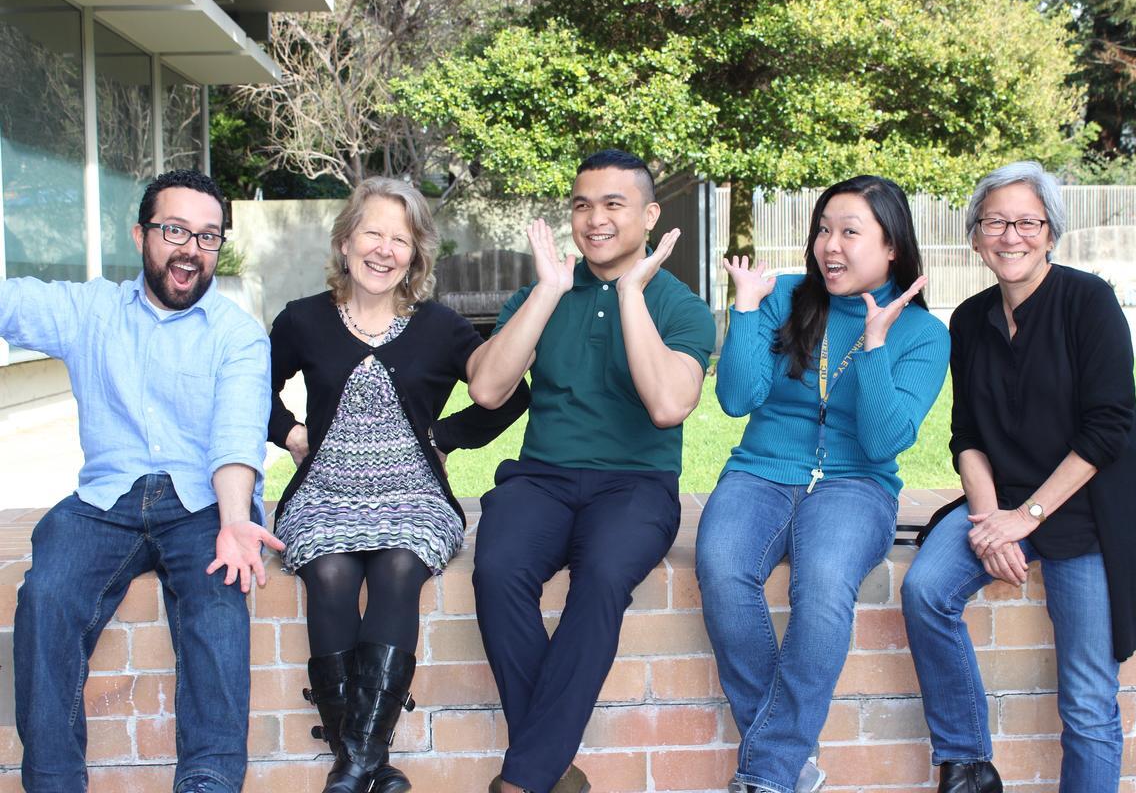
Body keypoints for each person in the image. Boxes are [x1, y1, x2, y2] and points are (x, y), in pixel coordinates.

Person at [3, 169, 279, 793]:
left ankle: (208, 782)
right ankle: (52, 782)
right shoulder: (89, 311)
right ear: (141, 235)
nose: (191, 250)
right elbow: (11, 302)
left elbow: (236, 437)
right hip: (105, 499)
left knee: (217, 605)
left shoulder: (237, 334)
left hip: (201, 500)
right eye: (175, 230)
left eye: (207, 236)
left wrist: (236, 521)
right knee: (46, 597)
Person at [900, 161, 1136, 793]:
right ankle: (968, 763)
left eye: (1027, 222)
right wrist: (991, 520)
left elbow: (1108, 430)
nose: (1010, 236)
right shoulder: (969, 319)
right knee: (926, 590)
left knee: (1087, 699)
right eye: (995, 222)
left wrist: (1025, 519)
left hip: (1089, 509)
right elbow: (967, 436)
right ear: (975, 236)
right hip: (1004, 500)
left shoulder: (1088, 301)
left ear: (1050, 233)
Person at [268, 177, 529, 793]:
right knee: (329, 573)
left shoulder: (440, 326)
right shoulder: (302, 319)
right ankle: (366, 763)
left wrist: (445, 436)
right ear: (345, 241)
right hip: (324, 494)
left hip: (414, 496)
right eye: (373, 234)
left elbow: (509, 392)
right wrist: (290, 432)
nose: (384, 250)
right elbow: (248, 389)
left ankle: (351, 767)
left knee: (397, 567)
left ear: (415, 255)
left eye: (401, 240)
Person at [467, 149, 716, 793]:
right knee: (497, 570)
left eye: (613, 204)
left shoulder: (681, 306)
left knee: (602, 577)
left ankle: (524, 778)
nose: (595, 218)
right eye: (582, 205)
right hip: (541, 478)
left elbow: (668, 406)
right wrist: (548, 291)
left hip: (636, 485)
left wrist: (631, 293)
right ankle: (548, 770)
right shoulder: (542, 291)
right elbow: (488, 390)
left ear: (649, 216)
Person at [697, 176, 950, 793]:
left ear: (892, 246)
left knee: (824, 583)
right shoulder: (783, 297)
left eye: (849, 232)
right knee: (722, 565)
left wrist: (876, 345)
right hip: (760, 469)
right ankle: (788, 763)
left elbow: (884, 441)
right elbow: (737, 399)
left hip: (857, 483)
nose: (829, 245)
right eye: (823, 230)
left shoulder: (925, 334)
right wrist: (746, 309)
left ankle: (768, 772)